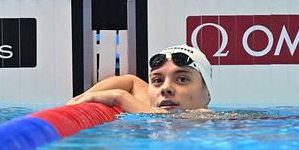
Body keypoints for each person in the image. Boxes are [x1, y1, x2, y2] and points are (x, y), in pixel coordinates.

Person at [67, 44, 213, 113]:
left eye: (182, 79)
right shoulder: (153, 101)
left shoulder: (207, 119)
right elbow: (132, 81)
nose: (165, 88)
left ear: (207, 93)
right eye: (157, 80)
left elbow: (166, 119)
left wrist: (119, 97)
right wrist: (80, 98)